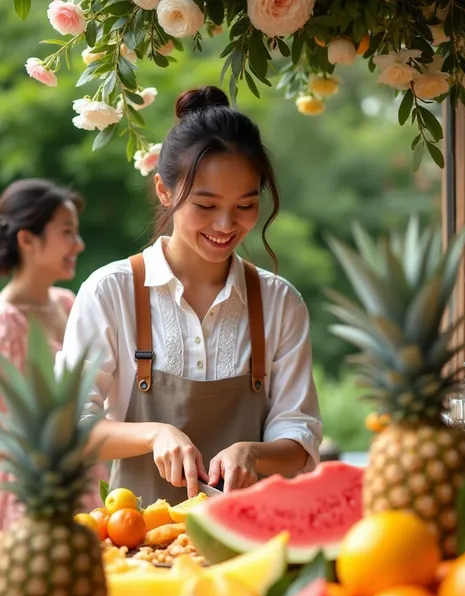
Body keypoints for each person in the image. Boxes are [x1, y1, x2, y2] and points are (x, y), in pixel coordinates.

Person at [56, 86, 323, 507]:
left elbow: (299, 437)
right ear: (165, 191)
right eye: (205, 204)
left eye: (246, 205)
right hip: (140, 540)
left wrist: (254, 452)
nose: (226, 224)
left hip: (251, 544)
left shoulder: (279, 302)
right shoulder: (111, 291)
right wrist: (155, 433)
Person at [0, 178, 107, 529]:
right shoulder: (5, 322)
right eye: (67, 232)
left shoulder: (68, 302)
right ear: (27, 239)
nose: (79, 244)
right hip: (29, 501)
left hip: (85, 478)